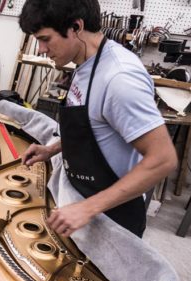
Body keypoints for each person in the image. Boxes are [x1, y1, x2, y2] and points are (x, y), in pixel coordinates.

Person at [19, 0, 177, 237]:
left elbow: (163, 160)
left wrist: (86, 208)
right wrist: (52, 149)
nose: (41, 49)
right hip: (82, 201)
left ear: (76, 27)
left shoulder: (119, 79)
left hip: (113, 215)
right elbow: (96, 127)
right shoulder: (85, 63)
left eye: (45, 39)